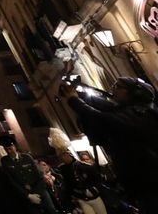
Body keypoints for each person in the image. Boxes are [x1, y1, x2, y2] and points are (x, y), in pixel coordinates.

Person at [59, 76, 158, 214]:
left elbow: (102, 119)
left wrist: (74, 101)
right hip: (141, 182)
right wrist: (77, 94)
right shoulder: (128, 110)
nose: (113, 89)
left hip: (151, 180)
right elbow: (103, 104)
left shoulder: (141, 114)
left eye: (118, 87)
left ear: (135, 93)